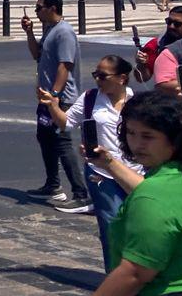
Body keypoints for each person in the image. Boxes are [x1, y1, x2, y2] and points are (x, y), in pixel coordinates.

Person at [73, 93, 182, 296]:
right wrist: (108, 163)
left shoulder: (155, 195)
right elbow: (166, 201)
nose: (137, 144)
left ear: (175, 138)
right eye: (131, 133)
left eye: (148, 136)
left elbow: (135, 273)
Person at [39, 55, 137, 270]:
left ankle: (136, 274)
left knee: (137, 226)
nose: (97, 80)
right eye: (95, 75)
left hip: (136, 172)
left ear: (122, 78)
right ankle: (114, 275)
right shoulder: (90, 98)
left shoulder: (137, 101)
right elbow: (66, 123)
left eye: (103, 76)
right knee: (111, 226)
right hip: (101, 173)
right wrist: (53, 106)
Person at [23, 0, 89, 208]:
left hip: (60, 98)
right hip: (47, 97)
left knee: (62, 143)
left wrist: (55, 95)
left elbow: (65, 65)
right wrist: (29, 32)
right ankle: (52, 185)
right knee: (45, 137)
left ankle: (80, 193)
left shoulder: (64, 32)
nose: (36, 12)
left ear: (52, 8)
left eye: (39, 8)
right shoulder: (50, 29)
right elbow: (36, 55)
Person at [135, 5, 182, 83]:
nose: (171, 26)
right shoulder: (156, 45)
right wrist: (141, 64)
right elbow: (142, 79)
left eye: (177, 24)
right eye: (169, 22)